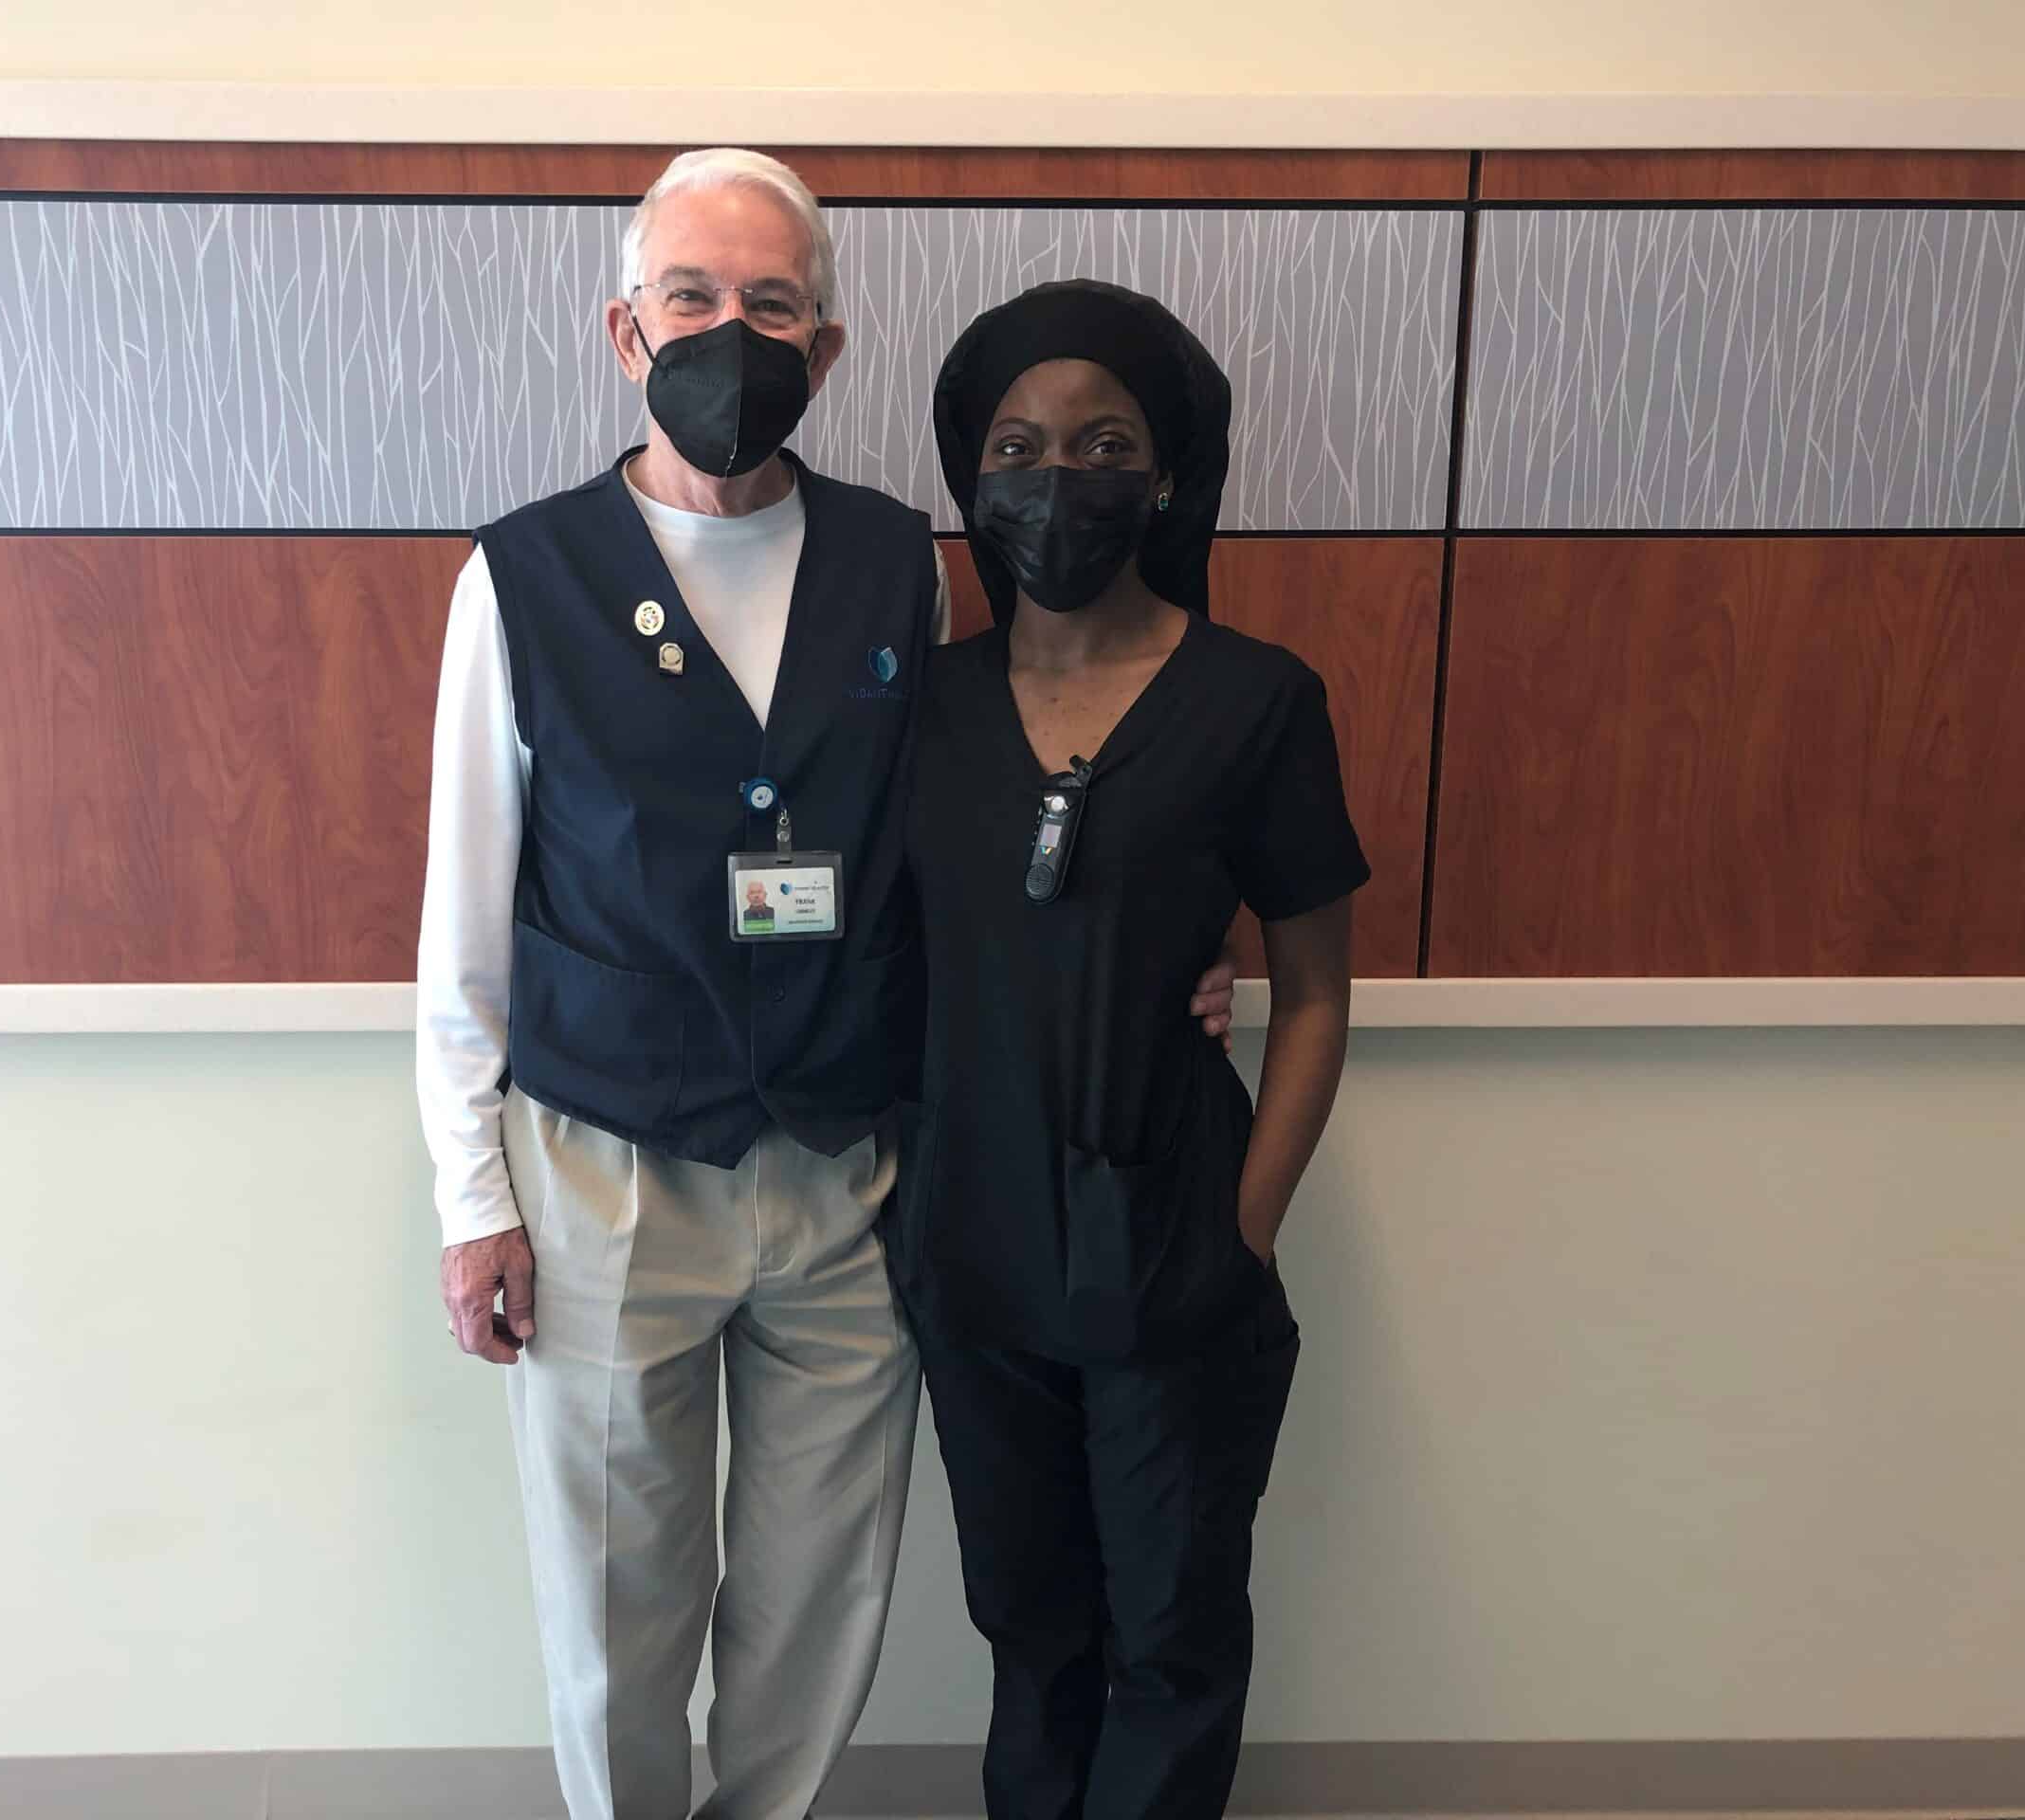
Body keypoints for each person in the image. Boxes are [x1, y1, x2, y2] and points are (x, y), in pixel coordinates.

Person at [415, 152, 1242, 1820]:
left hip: (844, 1171)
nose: (734, 331)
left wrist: (1162, 955)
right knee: (615, 1604)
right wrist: (470, 1192)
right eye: (695, 297)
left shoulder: (898, 561)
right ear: (624, 329)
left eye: (771, 303)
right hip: (607, 1166)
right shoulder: (521, 575)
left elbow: (987, 815)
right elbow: (464, 910)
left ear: (829, 343)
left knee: (818, 1596)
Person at [889, 280, 1368, 1819]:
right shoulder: (921, 711)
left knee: (1170, 1638)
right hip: (976, 1255)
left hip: (1174, 1251)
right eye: (1018, 447)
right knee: (1031, 1633)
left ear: (1166, 474)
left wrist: (1249, 1221)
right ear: (971, 477)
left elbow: (1315, 994)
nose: (1058, 478)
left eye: (1104, 444)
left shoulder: (1258, 702)